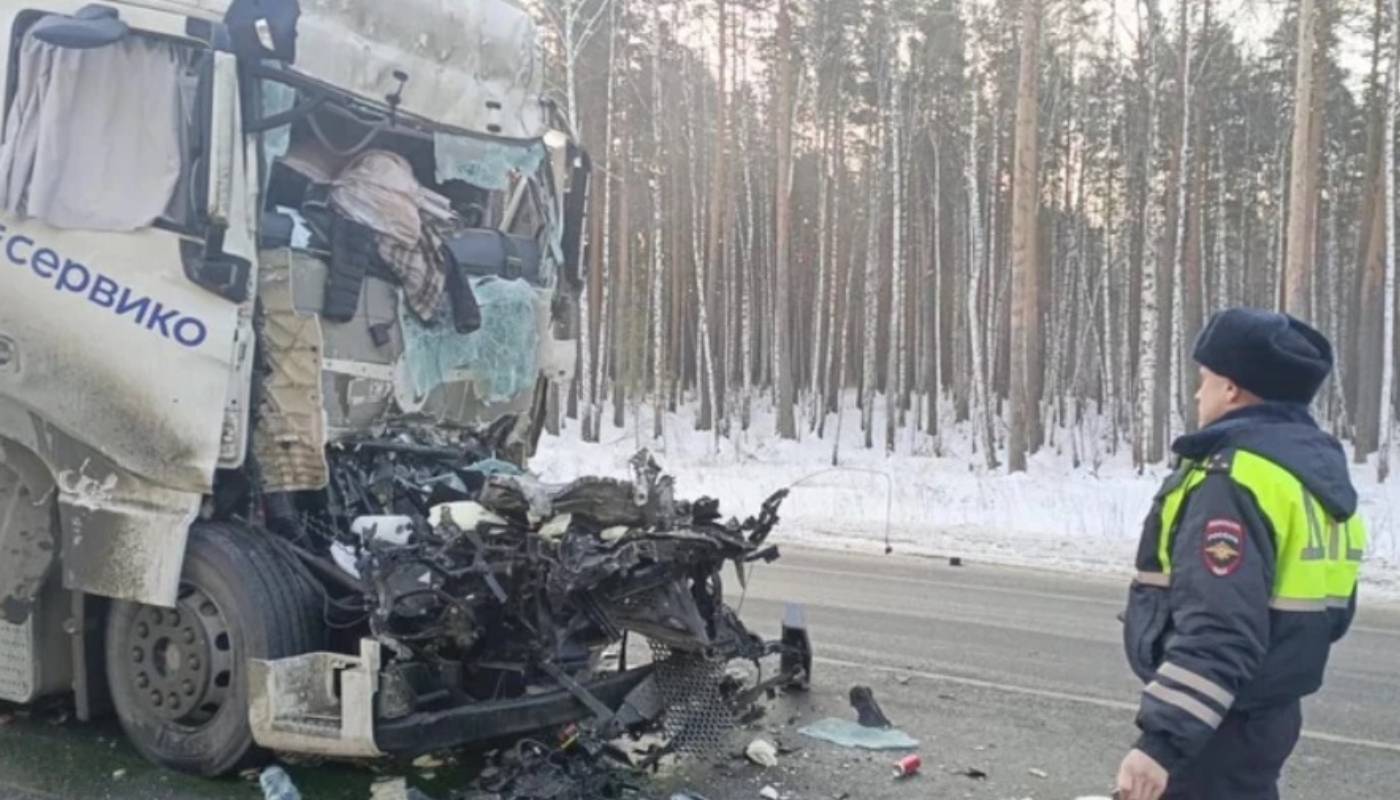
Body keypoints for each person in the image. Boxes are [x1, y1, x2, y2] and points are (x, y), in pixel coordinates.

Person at [1115, 308, 1366, 800]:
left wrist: (1161, 743)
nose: (1196, 392)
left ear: (1232, 389)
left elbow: (1220, 627)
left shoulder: (1235, 479)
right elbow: (1332, 615)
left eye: (1204, 378)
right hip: (1269, 713)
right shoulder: (1310, 476)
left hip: (1217, 724)